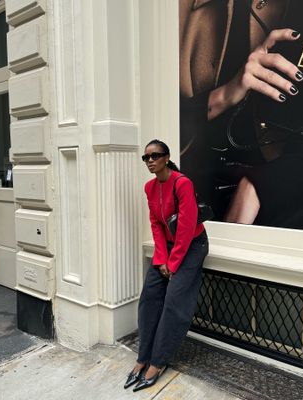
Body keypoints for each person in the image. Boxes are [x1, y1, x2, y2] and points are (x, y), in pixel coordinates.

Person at [179, 0, 303, 229]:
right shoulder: (170, 13)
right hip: (181, 202)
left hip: (275, 212)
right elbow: (147, 129)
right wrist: (225, 95)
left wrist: (261, 184)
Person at [124, 139, 208, 392]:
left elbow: (185, 228)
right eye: (146, 157)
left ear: (166, 157)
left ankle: (158, 363)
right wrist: (161, 259)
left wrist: (173, 263)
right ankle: (143, 357)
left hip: (192, 246)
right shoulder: (149, 187)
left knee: (174, 303)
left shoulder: (182, 183)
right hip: (168, 249)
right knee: (149, 298)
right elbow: (156, 224)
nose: (150, 160)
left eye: (155, 155)